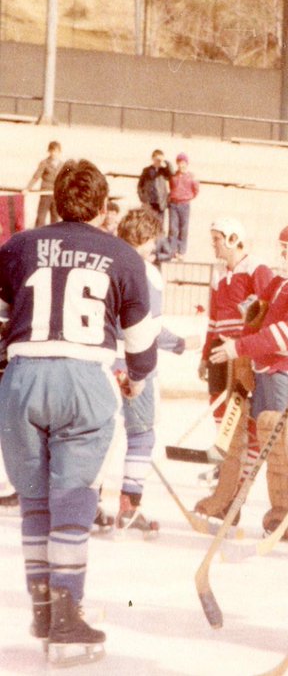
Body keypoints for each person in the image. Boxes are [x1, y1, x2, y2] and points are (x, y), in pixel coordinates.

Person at [0, 159, 158, 666]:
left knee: (35, 498)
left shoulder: (18, 246)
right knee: (72, 498)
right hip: (84, 377)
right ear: (104, 205)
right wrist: (134, 379)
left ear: (56, 198)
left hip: (22, 378)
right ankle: (68, 615)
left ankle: (43, 608)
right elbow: (142, 347)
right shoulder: (122, 254)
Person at [107, 207, 193, 539]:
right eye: (152, 240)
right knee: (141, 435)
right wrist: (182, 343)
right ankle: (129, 507)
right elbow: (148, 329)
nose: (154, 248)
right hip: (134, 364)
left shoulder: (105, 263)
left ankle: (88, 506)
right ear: (143, 238)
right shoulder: (148, 272)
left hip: (99, 360)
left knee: (98, 435)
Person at [193, 217, 274, 523]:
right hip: (218, 351)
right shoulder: (218, 273)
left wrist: (242, 343)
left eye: (217, 239)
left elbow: (265, 312)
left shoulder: (256, 268)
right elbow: (213, 318)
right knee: (222, 424)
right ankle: (225, 492)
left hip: (240, 353)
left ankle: (237, 496)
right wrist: (205, 354)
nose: (213, 244)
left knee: (244, 428)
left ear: (233, 238)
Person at [24, 141, 63, 227]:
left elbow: (65, 179)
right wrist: (27, 188)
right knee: (41, 217)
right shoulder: (44, 163)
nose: (54, 154)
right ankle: (37, 235)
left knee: (55, 217)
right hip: (45, 193)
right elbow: (36, 177)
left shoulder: (62, 165)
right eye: (52, 151)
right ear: (49, 151)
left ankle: (55, 236)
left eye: (56, 151)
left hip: (56, 195)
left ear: (59, 152)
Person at [167, 153, 199, 260]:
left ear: (187, 164)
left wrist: (187, 197)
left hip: (184, 204)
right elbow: (171, 187)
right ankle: (171, 251)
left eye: (183, 163)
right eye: (179, 163)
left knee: (183, 228)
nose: (181, 165)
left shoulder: (191, 177)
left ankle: (181, 251)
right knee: (172, 228)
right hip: (173, 204)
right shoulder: (174, 176)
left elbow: (196, 190)